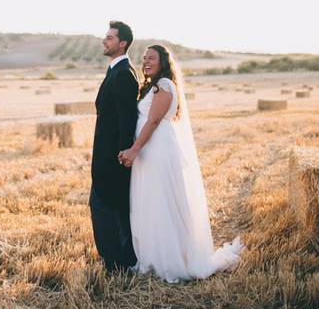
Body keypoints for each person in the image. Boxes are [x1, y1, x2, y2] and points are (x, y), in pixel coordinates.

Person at [118, 44, 244, 282]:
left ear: (163, 61)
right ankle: (152, 257)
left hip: (157, 151)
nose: (145, 61)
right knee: (150, 201)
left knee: (161, 202)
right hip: (149, 151)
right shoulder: (153, 86)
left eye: (151, 58)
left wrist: (134, 149)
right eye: (144, 58)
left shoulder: (164, 85)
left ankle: (170, 261)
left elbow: (153, 121)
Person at [89, 20, 139, 272]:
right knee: (107, 207)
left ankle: (117, 262)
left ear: (123, 43)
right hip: (105, 154)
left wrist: (121, 156)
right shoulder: (115, 70)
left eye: (109, 37)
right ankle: (117, 259)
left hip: (113, 158)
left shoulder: (123, 75)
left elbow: (127, 119)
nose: (104, 40)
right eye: (104, 36)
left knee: (107, 207)